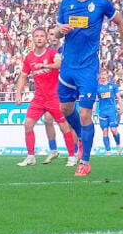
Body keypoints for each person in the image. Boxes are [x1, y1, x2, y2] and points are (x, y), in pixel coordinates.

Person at [52, 0, 123, 177]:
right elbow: (56, 33)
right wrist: (60, 31)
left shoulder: (100, 3)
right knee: (66, 109)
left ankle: (85, 161)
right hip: (68, 65)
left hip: (88, 68)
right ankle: (81, 139)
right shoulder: (66, 3)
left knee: (86, 113)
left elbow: (120, 20)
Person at [15, 28, 77, 167]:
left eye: (42, 36)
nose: (39, 38)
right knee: (28, 124)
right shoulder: (29, 58)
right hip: (38, 98)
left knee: (64, 126)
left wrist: (45, 65)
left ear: (46, 39)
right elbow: (23, 76)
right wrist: (18, 93)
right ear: (33, 38)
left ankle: (72, 156)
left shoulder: (52, 53)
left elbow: (59, 64)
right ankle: (31, 156)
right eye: (36, 36)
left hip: (54, 97)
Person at [96, 70, 123, 155]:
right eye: (101, 74)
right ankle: (108, 151)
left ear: (107, 75)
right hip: (102, 111)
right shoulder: (97, 87)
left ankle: (118, 145)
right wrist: (93, 109)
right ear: (99, 76)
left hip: (112, 110)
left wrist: (121, 108)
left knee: (114, 130)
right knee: (105, 130)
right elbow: (95, 99)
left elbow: (118, 97)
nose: (103, 76)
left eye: (104, 74)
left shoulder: (113, 85)